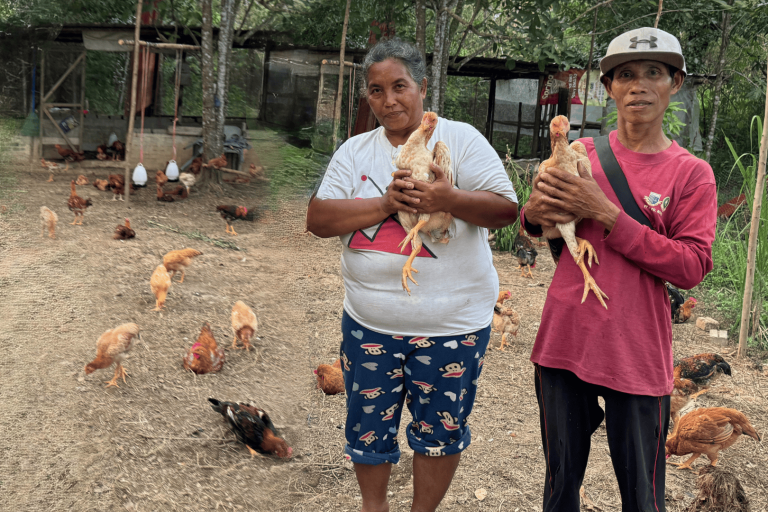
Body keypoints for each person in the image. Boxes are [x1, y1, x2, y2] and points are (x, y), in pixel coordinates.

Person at [306, 37, 518, 512]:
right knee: (367, 428)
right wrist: (384, 204)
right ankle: (374, 507)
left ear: (422, 87)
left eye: (399, 86)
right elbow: (318, 220)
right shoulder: (355, 151)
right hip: (369, 325)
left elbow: (506, 209)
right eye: (376, 91)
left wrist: (450, 199)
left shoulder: (460, 140)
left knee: (439, 432)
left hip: (452, 328)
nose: (389, 100)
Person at [520, 27, 717, 511]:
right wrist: (539, 205)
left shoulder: (690, 173)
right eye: (625, 74)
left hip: (638, 354)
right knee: (560, 489)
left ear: (675, 83)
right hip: (565, 340)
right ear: (609, 87)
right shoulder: (580, 153)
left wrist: (606, 213)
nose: (639, 85)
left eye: (654, 73)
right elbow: (533, 225)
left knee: (643, 499)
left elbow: (691, 265)